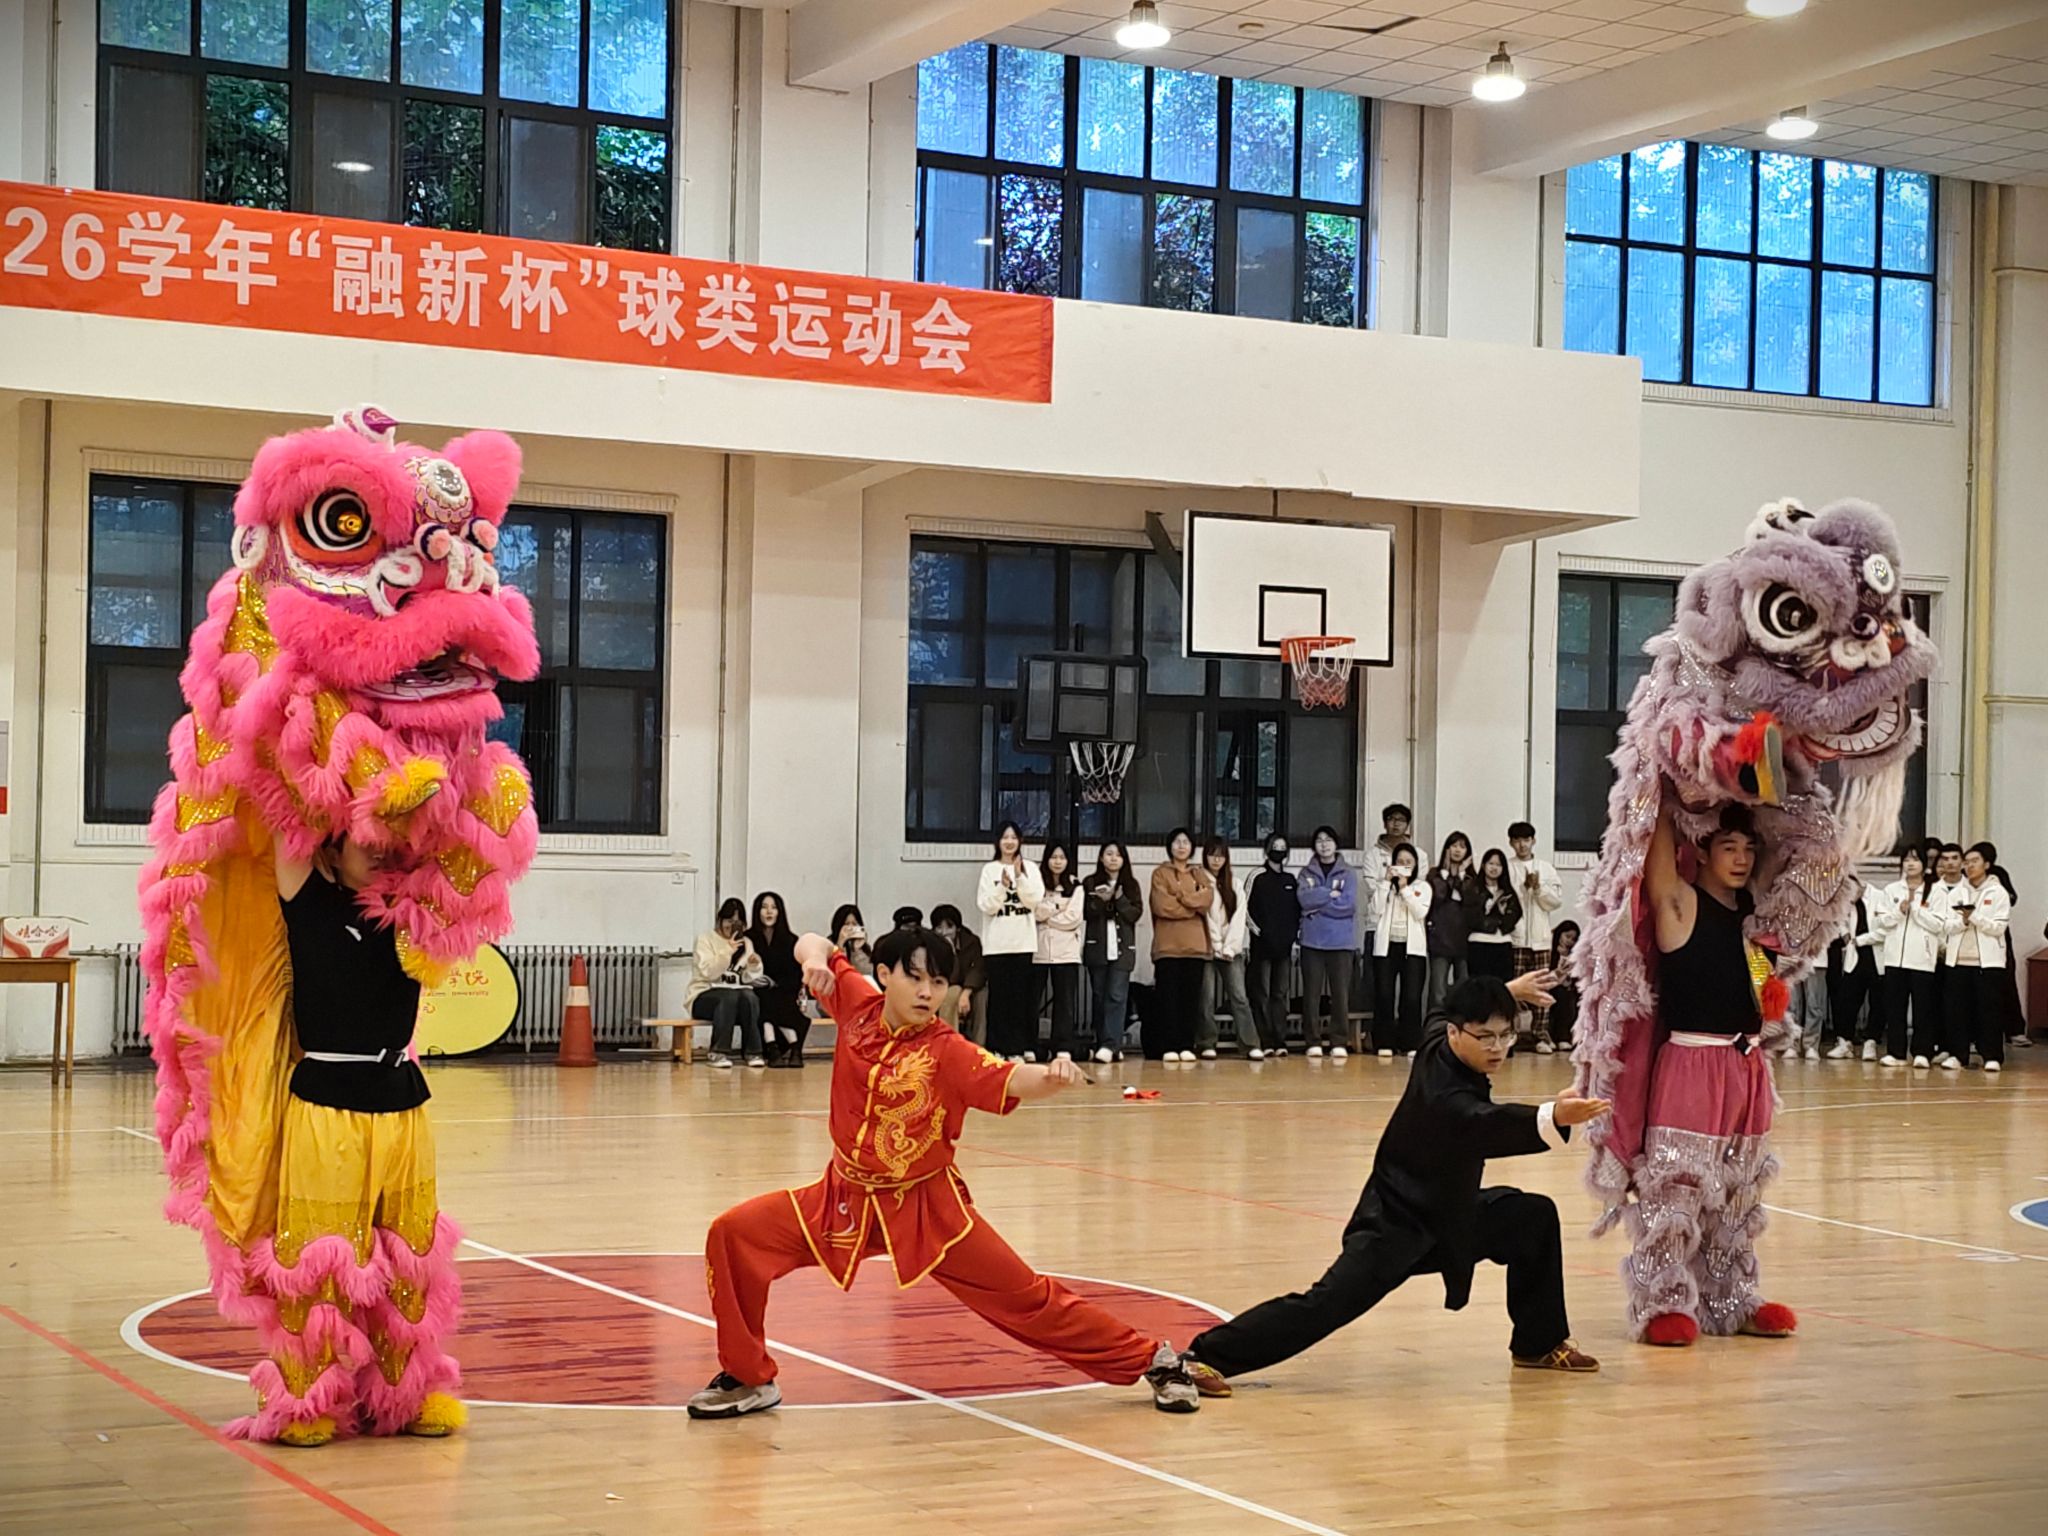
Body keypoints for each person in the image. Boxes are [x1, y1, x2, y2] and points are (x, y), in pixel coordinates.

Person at [687, 927, 1213, 1419]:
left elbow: (1009, 1077)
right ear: (884, 974)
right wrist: (816, 962)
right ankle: (748, 1377)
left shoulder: (945, 1050)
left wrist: (1051, 1077)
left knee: (1027, 1299)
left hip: (927, 1210)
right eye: (915, 978)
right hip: (842, 1200)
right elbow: (810, 941)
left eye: (938, 982)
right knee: (734, 1235)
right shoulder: (857, 1004)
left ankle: (1155, 1360)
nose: (927, 992)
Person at [1176, 976, 1606, 1386]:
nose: (1497, 1048)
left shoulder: (1438, 1041)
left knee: (1532, 1217)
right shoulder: (1447, 1098)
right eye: (1485, 1037)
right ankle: (1204, 1357)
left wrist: (1505, 993)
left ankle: (1538, 1343)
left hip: (1450, 1215)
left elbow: (1438, 1011)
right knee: (1326, 1304)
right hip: (1395, 1222)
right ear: (1457, 1034)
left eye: (1505, 1035)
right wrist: (1553, 1115)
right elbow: (1488, 1124)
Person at [257, 834, 467, 1445]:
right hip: (327, 1102)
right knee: (318, 1256)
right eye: (365, 841)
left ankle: (405, 1394)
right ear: (331, 848)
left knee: (412, 1257)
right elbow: (288, 817)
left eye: (389, 840)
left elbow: (455, 838)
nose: (380, 851)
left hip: (402, 1102)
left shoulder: (413, 907)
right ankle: (306, 1401)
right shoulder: (309, 898)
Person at [1630, 800, 1798, 1347]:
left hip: (1748, 1066)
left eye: (1749, 848)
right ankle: (1662, 1304)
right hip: (1691, 1062)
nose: (1742, 858)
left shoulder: (1758, 915)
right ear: (1700, 851)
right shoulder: (1680, 903)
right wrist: (1660, 786)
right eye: (1729, 847)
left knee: (1740, 1191)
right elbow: (1656, 853)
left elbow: (1805, 850)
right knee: (1677, 1187)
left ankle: (1730, 1300)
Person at [1938, 842, 2013, 1072]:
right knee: (1957, 1010)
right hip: (1957, 960)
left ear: (1987, 865)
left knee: (1988, 1011)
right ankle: (1958, 1055)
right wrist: (1963, 921)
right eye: (1967, 862)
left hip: (1987, 962)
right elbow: (1946, 925)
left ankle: (1991, 1056)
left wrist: (1974, 916)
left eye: (1975, 861)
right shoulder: (1957, 893)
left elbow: (1998, 927)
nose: (1969, 866)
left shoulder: (1998, 892)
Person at [977, 821, 1046, 1062]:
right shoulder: (989, 870)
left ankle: (1017, 1048)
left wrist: (1020, 878)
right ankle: (997, 1047)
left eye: (1013, 837)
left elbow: (1034, 900)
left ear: (1020, 841)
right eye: (1005, 837)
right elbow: (986, 905)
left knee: (1020, 999)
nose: (1009, 842)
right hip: (996, 945)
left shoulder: (1030, 868)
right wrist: (1003, 888)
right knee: (998, 999)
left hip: (1023, 944)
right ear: (998, 841)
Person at [1148, 828, 1215, 1063]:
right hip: (1167, 947)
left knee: (1190, 999)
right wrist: (1191, 905)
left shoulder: (1199, 873)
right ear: (1170, 846)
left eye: (1186, 842)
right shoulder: (1160, 873)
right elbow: (1161, 906)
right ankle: (1169, 1045)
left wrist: (1181, 898)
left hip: (1196, 947)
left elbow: (1207, 900)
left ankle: (1187, 1044)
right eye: (1177, 842)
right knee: (1168, 999)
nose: (1181, 846)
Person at [1297, 825, 1359, 1057]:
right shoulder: (1305, 873)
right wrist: (1329, 894)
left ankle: (1338, 1041)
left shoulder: (1348, 873)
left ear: (1336, 844)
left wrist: (1317, 906)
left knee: (1340, 995)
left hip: (1341, 942)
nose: (1324, 844)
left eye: (1328, 840)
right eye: (1319, 840)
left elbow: (1348, 905)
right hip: (1312, 941)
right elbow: (1304, 899)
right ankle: (1312, 1040)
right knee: (1311, 995)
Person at [1879, 847, 1943, 1067]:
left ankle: (1922, 1052)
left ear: (1924, 865)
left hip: (1922, 958)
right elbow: (1882, 921)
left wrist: (1915, 909)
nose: (1910, 864)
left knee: (1923, 1008)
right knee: (1894, 1007)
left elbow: (1938, 924)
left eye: (1915, 859)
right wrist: (1899, 911)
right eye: (1906, 860)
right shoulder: (1891, 890)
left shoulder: (1936, 891)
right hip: (1894, 957)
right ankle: (1896, 1052)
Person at [1369, 842, 1432, 1057]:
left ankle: (1410, 1042)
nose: (1404, 866)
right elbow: (1374, 910)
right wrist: (1386, 882)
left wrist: (1405, 889)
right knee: (1384, 995)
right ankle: (1383, 1042)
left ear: (1415, 865)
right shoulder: (1384, 885)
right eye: (1400, 862)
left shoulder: (1423, 887)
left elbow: (1420, 912)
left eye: (1408, 862)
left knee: (1412, 997)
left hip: (1413, 949)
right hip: (1386, 948)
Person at [688, 897, 767, 1068]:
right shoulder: (705, 939)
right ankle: (718, 1052)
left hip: (735, 998)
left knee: (750, 996)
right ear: (720, 919)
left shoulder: (746, 943)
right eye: (729, 921)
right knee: (729, 996)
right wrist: (727, 951)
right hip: (702, 997)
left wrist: (754, 966)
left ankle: (753, 1052)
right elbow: (709, 972)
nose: (732, 926)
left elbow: (746, 979)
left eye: (738, 922)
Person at [1084, 842, 1143, 1064]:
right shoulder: (1090, 882)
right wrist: (1102, 901)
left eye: (1118, 855)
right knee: (1099, 996)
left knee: (1117, 997)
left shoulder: (1131, 885)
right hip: (1098, 946)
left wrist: (1118, 898)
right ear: (1101, 858)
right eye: (1108, 854)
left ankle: (1111, 1045)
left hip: (1122, 949)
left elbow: (1135, 914)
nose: (1113, 858)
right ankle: (1104, 1043)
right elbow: (1085, 912)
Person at [1358, 804, 1414, 1035]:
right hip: (1378, 926)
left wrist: (1398, 888)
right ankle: (1377, 1035)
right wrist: (1393, 885)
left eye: (1401, 820)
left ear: (1408, 824)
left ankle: (1406, 1037)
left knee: (1410, 989)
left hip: (1408, 930)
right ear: (1385, 823)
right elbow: (1372, 888)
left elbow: (1419, 888)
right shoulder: (1372, 855)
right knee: (1378, 986)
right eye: (1391, 819)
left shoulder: (1418, 854)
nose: (1396, 824)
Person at [1507, 822, 1565, 1044]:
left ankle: (1541, 1034)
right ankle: (1511, 1032)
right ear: (1511, 843)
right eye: (1517, 840)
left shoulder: (1546, 868)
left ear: (1533, 841)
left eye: (1526, 840)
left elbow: (1555, 902)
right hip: (1516, 938)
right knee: (1515, 987)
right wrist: (1524, 887)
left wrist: (1539, 888)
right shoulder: (1508, 867)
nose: (1522, 845)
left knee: (1542, 987)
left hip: (1540, 939)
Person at [1244, 834, 1299, 1061]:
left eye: (1282, 847)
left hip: (1284, 949)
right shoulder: (1256, 876)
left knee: (1280, 994)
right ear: (1267, 850)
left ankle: (1279, 1040)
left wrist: (1292, 937)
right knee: (1261, 994)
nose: (1279, 850)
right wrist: (1259, 932)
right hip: (1261, 947)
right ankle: (1264, 1040)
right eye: (1275, 847)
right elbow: (1244, 908)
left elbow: (1296, 912)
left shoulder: (1290, 879)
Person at [1199, 839, 1254, 1061]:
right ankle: (1207, 1042)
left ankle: (1250, 1044)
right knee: (1206, 997)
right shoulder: (1200, 882)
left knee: (1239, 997)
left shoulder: (1236, 884)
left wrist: (1229, 947)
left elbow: (1240, 918)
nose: (1216, 859)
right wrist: (1217, 945)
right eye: (1212, 854)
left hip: (1233, 949)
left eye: (1220, 855)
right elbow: (1205, 918)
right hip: (1207, 948)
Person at [1034, 842, 1086, 1062]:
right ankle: (1031, 1044)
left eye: (1062, 858)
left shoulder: (1076, 886)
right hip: (1038, 950)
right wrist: (1057, 907)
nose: (1057, 862)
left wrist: (1048, 917)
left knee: (1065, 1001)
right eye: (1053, 857)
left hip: (1067, 951)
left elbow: (1073, 918)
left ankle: (1063, 1045)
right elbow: (1035, 912)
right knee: (1032, 999)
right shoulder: (1036, 884)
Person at [1824, 877, 1885, 1060]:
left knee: (1878, 1002)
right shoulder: (1846, 901)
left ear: (1860, 885)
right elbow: (1839, 919)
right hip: (1855, 955)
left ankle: (1871, 1041)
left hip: (1876, 954)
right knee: (1847, 999)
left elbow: (1886, 928)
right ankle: (1844, 1041)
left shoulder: (1880, 897)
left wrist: (1861, 940)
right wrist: (1845, 935)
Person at [750, 892, 805, 1067]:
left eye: (773, 908)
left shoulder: (791, 940)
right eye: (764, 907)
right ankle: (794, 1046)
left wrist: (775, 983)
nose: (769, 912)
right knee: (765, 997)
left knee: (776, 998)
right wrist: (752, 979)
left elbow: (795, 975)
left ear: (780, 912)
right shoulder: (748, 938)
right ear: (757, 911)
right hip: (757, 990)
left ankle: (773, 1045)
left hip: (784, 990)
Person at [1425, 831, 1477, 1012]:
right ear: (1446, 849)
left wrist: (1461, 876)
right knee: (1437, 990)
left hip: (1464, 939)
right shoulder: (1434, 874)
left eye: (1462, 847)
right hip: (1440, 938)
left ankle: (1462, 1023)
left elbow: (1469, 900)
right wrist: (1447, 875)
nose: (1457, 850)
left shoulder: (1472, 878)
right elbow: (1439, 896)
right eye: (1454, 845)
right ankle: (1436, 1023)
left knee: (1465, 987)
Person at [1926, 842, 1967, 1068]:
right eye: (1946, 859)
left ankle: (1958, 1050)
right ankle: (1941, 1046)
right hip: (1935, 954)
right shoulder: (1932, 889)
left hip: (1960, 954)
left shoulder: (1969, 889)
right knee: (1935, 1002)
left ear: (1962, 862)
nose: (1950, 863)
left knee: (1958, 1004)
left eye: (1954, 858)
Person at [1467, 848, 1523, 990]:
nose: (1494, 868)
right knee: (1479, 989)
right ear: (1483, 865)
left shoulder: (1508, 891)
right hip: (1478, 943)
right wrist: (1490, 911)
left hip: (1502, 943)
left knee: (1503, 989)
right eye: (1491, 863)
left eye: (1498, 865)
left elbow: (1516, 914)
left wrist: (1502, 914)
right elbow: (1470, 916)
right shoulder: (1473, 888)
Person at [932, 904, 986, 1041]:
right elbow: (950, 977)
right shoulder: (931, 944)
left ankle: (979, 1045)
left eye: (949, 927)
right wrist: (950, 953)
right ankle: (949, 1042)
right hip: (948, 985)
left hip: (970, 986)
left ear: (958, 928)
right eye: (939, 927)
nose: (944, 932)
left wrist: (966, 992)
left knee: (982, 996)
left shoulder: (972, 942)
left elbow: (978, 969)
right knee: (952, 993)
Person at [1546, 921, 1582, 1050]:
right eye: (1567, 936)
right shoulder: (1548, 951)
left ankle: (1572, 1036)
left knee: (1576, 997)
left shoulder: (1575, 954)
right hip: (1551, 986)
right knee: (1563, 996)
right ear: (1559, 934)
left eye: (1573, 939)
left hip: (1569, 986)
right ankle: (1561, 1037)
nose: (1569, 941)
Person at [830, 903, 874, 979]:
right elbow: (835, 969)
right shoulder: (829, 944)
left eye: (854, 924)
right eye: (847, 924)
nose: (851, 927)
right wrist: (840, 945)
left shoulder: (864, 948)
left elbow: (867, 974)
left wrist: (857, 950)